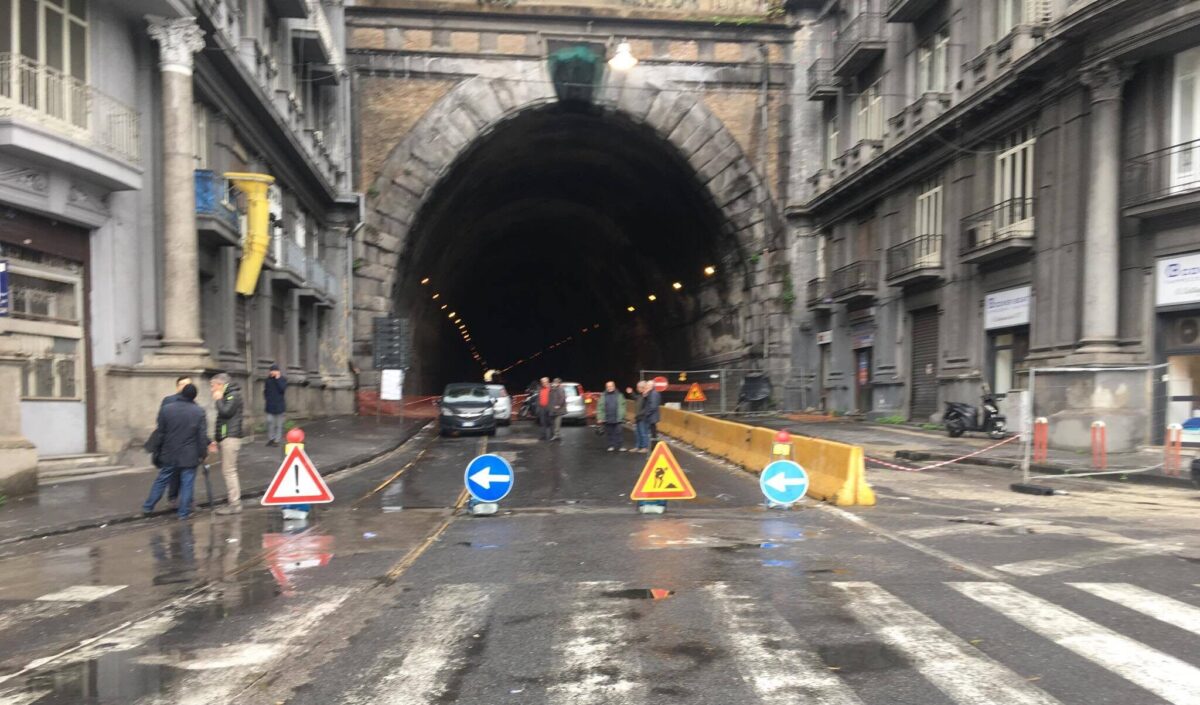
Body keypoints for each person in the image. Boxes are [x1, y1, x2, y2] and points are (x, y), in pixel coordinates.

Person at [142, 384, 208, 520]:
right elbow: (201, 437)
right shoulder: (199, 412)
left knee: (161, 480)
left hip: (169, 452)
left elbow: (161, 432)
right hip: (189, 455)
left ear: (181, 393)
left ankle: (148, 506)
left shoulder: (166, 409)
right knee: (187, 483)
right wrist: (203, 454)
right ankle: (183, 513)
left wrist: (157, 449)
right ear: (194, 397)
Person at [209, 373, 245, 515]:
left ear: (220, 385)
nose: (212, 389)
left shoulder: (232, 395)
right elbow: (222, 422)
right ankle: (234, 502)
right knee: (228, 471)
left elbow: (226, 412)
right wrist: (217, 439)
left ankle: (235, 504)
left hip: (231, 438)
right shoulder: (229, 395)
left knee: (229, 471)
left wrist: (218, 400)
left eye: (213, 386)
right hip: (227, 437)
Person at [158, 375, 192, 510]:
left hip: (188, 445)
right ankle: (172, 499)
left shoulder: (192, 401)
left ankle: (187, 501)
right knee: (173, 473)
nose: (186, 387)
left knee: (188, 475)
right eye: (183, 384)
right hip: (172, 444)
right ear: (177, 386)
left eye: (188, 384)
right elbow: (162, 422)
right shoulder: (168, 401)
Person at [595, 381, 626, 452]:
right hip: (607, 417)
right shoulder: (603, 396)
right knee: (609, 433)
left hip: (617, 418)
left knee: (619, 432)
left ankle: (620, 446)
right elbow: (599, 407)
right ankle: (611, 445)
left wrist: (623, 415)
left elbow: (623, 405)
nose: (610, 387)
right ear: (606, 387)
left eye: (611, 386)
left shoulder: (619, 395)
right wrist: (600, 417)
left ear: (614, 386)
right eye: (608, 386)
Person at [264, 363, 287, 447]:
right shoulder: (268, 380)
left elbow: (282, 389)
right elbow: (265, 391)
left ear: (278, 371)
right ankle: (271, 439)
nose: (271, 373)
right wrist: (267, 399)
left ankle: (277, 440)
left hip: (279, 405)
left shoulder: (282, 379)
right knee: (270, 422)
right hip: (270, 405)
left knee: (278, 424)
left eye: (273, 371)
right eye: (271, 371)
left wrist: (277, 379)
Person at [633, 381, 651, 452]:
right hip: (638, 417)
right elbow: (635, 398)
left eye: (638, 387)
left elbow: (646, 408)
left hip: (644, 418)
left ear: (643, 387)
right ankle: (638, 446)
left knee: (643, 433)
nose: (637, 389)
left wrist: (639, 414)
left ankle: (644, 447)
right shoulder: (640, 395)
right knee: (637, 433)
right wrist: (631, 393)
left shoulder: (646, 396)